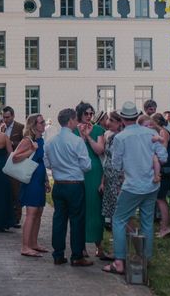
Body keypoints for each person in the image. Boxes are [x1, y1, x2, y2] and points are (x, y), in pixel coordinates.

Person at [102, 102, 167, 276]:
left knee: (118, 219)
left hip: (132, 185)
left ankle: (119, 262)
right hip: (151, 185)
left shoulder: (121, 137)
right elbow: (163, 156)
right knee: (146, 221)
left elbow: (116, 165)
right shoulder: (151, 133)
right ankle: (144, 258)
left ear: (122, 119)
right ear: (137, 116)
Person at [44, 108, 93, 267]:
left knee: (59, 219)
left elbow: (47, 163)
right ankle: (77, 255)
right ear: (71, 120)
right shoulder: (77, 141)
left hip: (59, 184)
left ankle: (58, 254)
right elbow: (86, 166)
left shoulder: (51, 141)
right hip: (74, 184)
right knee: (77, 220)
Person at [73, 101, 108, 259]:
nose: (88, 116)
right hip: (78, 172)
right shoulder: (73, 131)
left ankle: (99, 245)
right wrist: (81, 134)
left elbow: (100, 150)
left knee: (95, 208)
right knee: (81, 209)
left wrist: (87, 136)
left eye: (91, 114)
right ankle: (81, 247)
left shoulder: (99, 129)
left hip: (95, 171)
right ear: (79, 114)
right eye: (86, 113)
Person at [14, 113, 49, 257]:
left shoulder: (40, 139)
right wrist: (31, 150)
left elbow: (41, 161)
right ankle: (25, 246)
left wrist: (46, 179)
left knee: (39, 212)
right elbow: (15, 157)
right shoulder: (28, 140)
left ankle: (34, 243)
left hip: (39, 178)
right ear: (34, 125)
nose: (44, 124)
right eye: (41, 122)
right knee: (31, 213)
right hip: (31, 179)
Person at [1, 106, 24, 227]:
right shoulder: (2, 128)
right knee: (7, 192)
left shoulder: (20, 127)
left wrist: (11, 143)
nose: (5, 120)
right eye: (4, 117)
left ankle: (16, 218)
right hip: (4, 162)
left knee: (16, 191)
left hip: (16, 162)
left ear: (13, 116)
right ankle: (8, 216)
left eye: (7, 117)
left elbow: (25, 142)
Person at [100, 111, 124, 224]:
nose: (108, 122)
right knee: (112, 209)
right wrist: (103, 181)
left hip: (118, 178)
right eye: (108, 119)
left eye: (111, 120)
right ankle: (117, 235)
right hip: (109, 176)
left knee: (119, 209)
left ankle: (129, 236)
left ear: (120, 123)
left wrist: (121, 182)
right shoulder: (110, 136)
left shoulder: (121, 137)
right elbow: (107, 159)